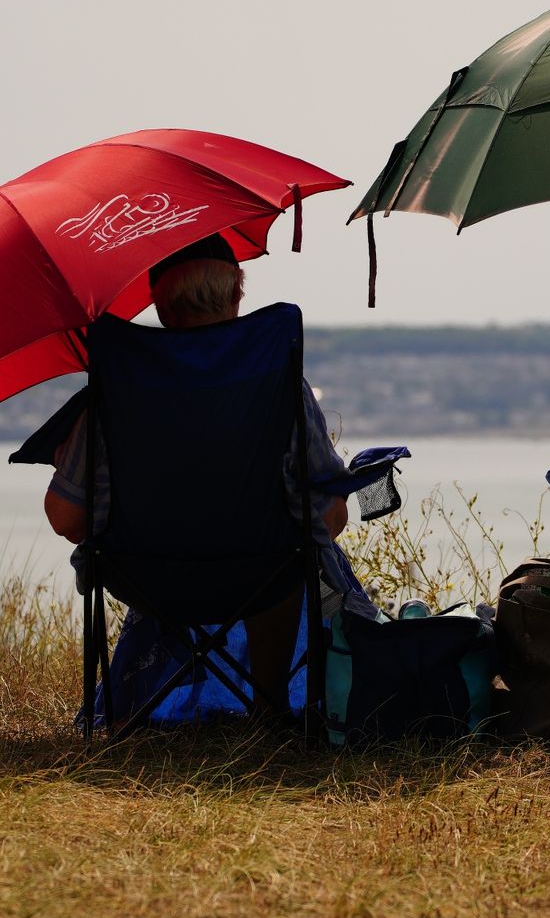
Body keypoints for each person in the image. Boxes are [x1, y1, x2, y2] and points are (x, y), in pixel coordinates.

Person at [44, 234, 378, 720]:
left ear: (161, 308)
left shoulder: (116, 392)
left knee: (275, 551)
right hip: (262, 575)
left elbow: (66, 518)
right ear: (238, 293)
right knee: (290, 549)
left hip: (143, 577)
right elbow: (330, 512)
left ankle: (142, 700)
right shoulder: (280, 386)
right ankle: (269, 708)